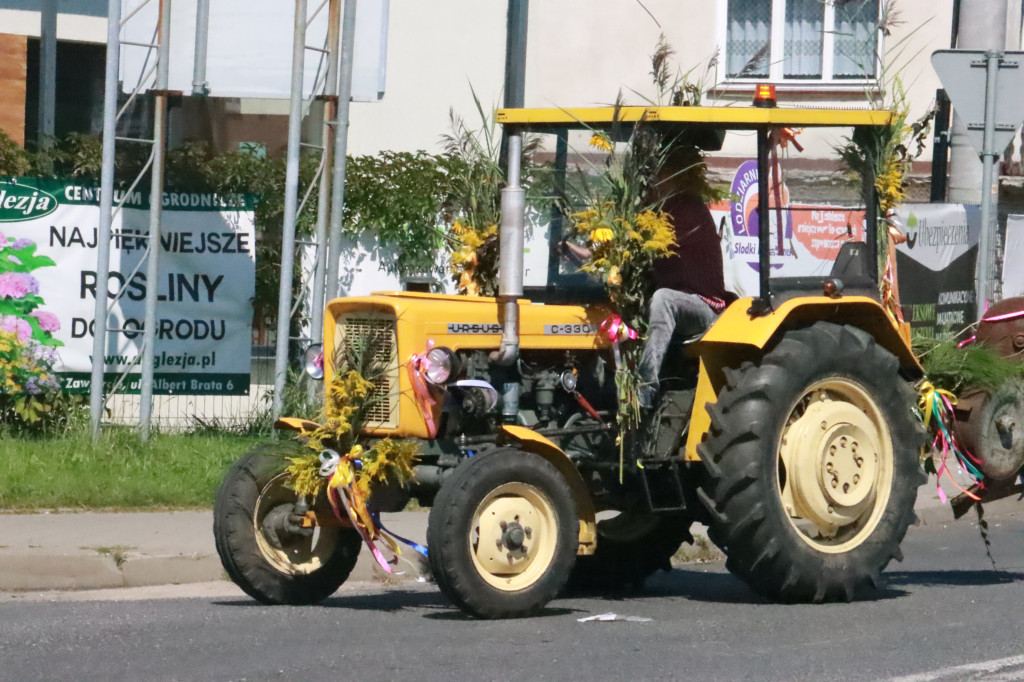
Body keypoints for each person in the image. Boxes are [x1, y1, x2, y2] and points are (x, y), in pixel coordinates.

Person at [637, 144, 728, 408]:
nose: (653, 181)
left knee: (663, 299)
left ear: (674, 175)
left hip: (704, 306)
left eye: (658, 174)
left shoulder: (686, 209)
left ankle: (644, 388)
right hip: (683, 300)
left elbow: (646, 249)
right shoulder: (658, 211)